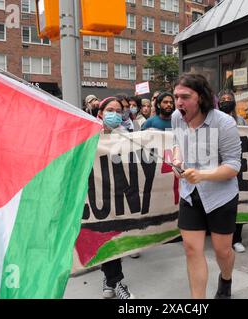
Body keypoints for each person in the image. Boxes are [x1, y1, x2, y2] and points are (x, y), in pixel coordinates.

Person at [171, 74, 242, 299]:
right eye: (176, 97)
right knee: (192, 250)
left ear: (200, 97)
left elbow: (233, 166)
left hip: (221, 197)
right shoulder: (176, 117)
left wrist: (201, 175)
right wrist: (177, 159)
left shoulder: (224, 122)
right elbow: (177, 143)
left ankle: (226, 279)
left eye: (185, 97)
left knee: (223, 252)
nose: (179, 103)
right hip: (189, 195)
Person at [97, 96, 135, 299]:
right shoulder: (89, 133)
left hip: (118, 193)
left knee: (115, 237)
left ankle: (111, 280)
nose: (114, 114)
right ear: (101, 112)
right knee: (104, 236)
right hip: (97, 195)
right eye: (110, 110)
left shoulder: (127, 135)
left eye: (118, 111)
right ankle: (115, 281)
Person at [218, 90, 247, 253]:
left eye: (229, 99)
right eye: (223, 99)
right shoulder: (212, 120)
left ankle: (237, 239)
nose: (226, 101)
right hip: (218, 168)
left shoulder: (241, 120)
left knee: (238, 203)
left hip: (237, 168)